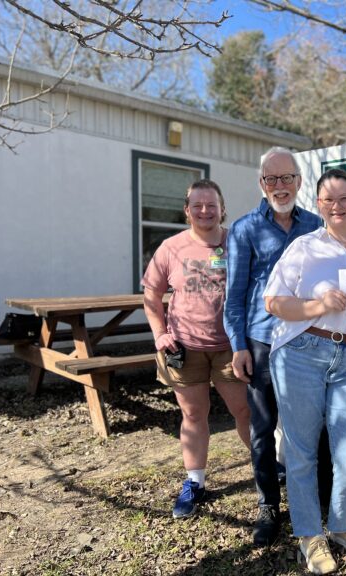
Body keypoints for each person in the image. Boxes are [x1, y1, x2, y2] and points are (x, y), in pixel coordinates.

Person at [264, 168, 346, 575]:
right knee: (301, 452)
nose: (336, 206)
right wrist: (317, 306)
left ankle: (342, 526)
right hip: (301, 352)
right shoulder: (304, 247)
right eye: (328, 200)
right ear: (318, 205)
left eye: (344, 198)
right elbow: (273, 302)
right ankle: (308, 535)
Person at [223, 147, 324, 547]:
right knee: (263, 430)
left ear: (299, 181)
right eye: (271, 179)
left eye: (287, 178)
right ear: (261, 184)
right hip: (262, 342)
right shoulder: (245, 229)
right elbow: (234, 295)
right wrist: (238, 346)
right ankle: (268, 505)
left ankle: (313, 501)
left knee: (310, 429)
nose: (279, 186)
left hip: (307, 340)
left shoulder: (317, 225)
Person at [143, 178, 251, 520]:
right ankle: (195, 483)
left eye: (212, 205)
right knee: (193, 415)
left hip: (230, 348)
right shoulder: (170, 248)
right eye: (198, 205)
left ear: (223, 209)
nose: (205, 211)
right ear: (187, 211)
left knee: (245, 411)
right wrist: (160, 332)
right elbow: (151, 295)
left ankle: (270, 469)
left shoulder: (239, 242)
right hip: (184, 348)